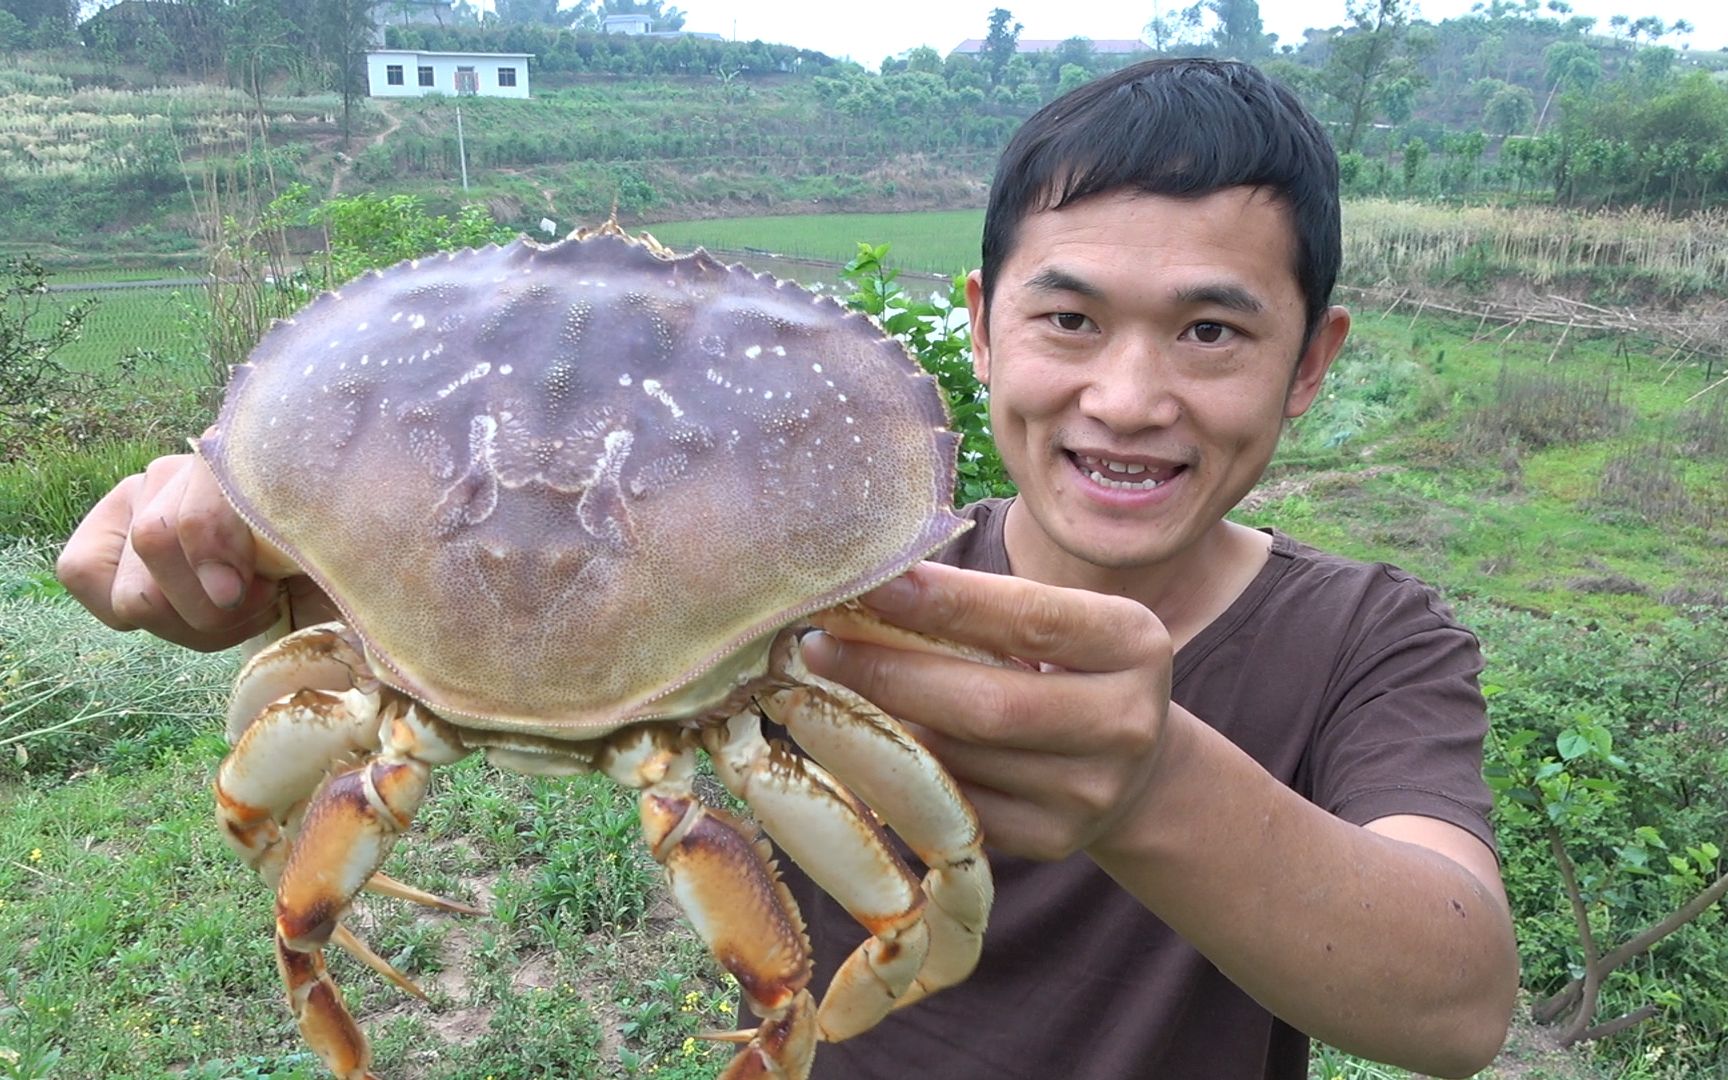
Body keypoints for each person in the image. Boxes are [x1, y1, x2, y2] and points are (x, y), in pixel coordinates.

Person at [58, 57, 1517, 1080]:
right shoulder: (811, 602)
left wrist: (1154, 784)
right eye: (1070, 320)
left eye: (1210, 332)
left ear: (1313, 362)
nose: (1128, 398)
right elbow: (451, 561)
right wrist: (245, 524)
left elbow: (1456, 1004)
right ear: (983, 322)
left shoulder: (1368, 639)